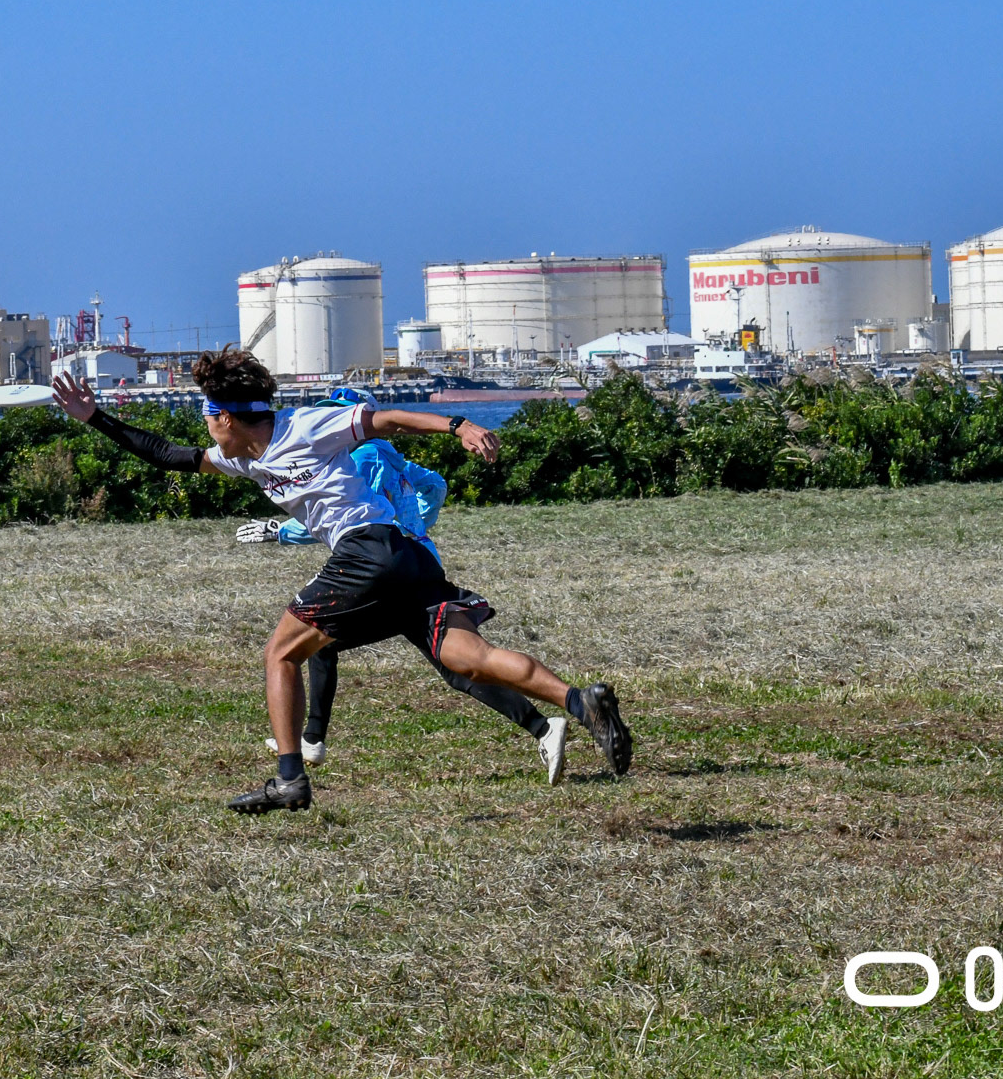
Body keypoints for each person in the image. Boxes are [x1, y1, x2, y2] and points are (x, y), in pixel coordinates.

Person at [52, 348, 632, 814]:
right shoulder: (242, 459)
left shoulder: (304, 425)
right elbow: (165, 454)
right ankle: (579, 702)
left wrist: (457, 425)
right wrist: (95, 418)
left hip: (367, 551)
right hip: (408, 559)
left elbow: (386, 419)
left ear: (225, 416)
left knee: (280, 654)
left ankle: (289, 779)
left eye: (207, 417)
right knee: (469, 658)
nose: (205, 429)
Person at [238, 387, 572, 784]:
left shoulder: (361, 456)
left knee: (317, 640)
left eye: (339, 414)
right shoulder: (393, 457)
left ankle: (311, 741)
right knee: (454, 666)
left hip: (385, 567)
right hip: (416, 561)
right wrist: (416, 525)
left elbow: (340, 515)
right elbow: (437, 485)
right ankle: (544, 727)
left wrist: (280, 532)